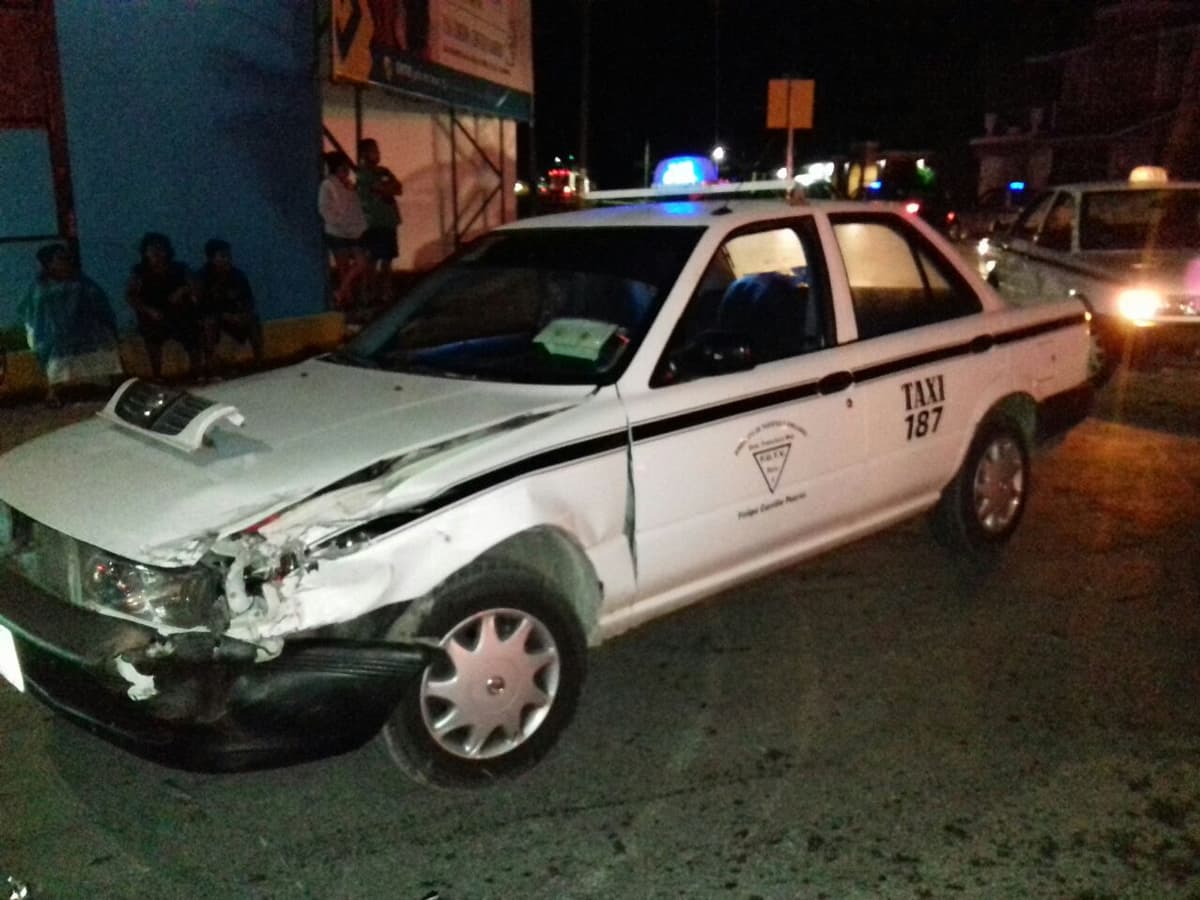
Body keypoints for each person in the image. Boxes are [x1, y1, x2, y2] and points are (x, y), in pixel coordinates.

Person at [19, 243, 123, 407]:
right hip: (53, 331)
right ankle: (53, 391)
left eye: (66, 258)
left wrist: (103, 322)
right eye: (59, 259)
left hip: (85, 327)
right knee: (57, 346)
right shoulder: (40, 286)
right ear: (49, 263)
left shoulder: (81, 281)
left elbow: (98, 302)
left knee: (103, 340)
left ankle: (115, 385)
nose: (65, 262)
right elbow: (32, 311)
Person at [126, 232, 204, 380]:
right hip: (154, 316)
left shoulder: (179, 268)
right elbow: (131, 296)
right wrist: (149, 310)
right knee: (152, 335)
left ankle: (197, 372)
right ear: (145, 253)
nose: (157, 254)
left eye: (160, 249)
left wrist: (183, 290)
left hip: (179, 314)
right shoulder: (139, 273)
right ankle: (157, 376)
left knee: (192, 328)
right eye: (152, 250)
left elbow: (196, 285)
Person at [195, 238, 264, 373]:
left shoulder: (237, 275)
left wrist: (243, 314)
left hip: (235, 316)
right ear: (212, 258)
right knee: (209, 323)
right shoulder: (202, 277)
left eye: (228, 256)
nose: (227, 259)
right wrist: (225, 315)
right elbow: (202, 305)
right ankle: (210, 366)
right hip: (213, 317)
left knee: (253, 320)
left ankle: (259, 362)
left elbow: (249, 299)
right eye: (223, 256)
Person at [317, 151, 369, 311]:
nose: (347, 169)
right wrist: (340, 221)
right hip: (338, 231)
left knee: (357, 264)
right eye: (344, 166)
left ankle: (341, 294)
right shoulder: (329, 185)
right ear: (338, 167)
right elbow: (325, 209)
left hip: (350, 231)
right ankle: (346, 300)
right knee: (344, 266)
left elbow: (353, 208)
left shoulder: (346, 184)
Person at [357, 138, 404, 304]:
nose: (377, 154)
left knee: (388, 258)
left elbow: (398, 188)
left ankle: (385, 292)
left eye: (377, 151)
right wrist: (386, 188)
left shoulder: (383, 171)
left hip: (389, 221)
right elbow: (383, 189)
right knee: (372, 259)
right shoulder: (363, 174)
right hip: (374, 223)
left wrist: (387, 188)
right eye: (373, 151)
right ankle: (368, 294)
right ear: (364, 154)